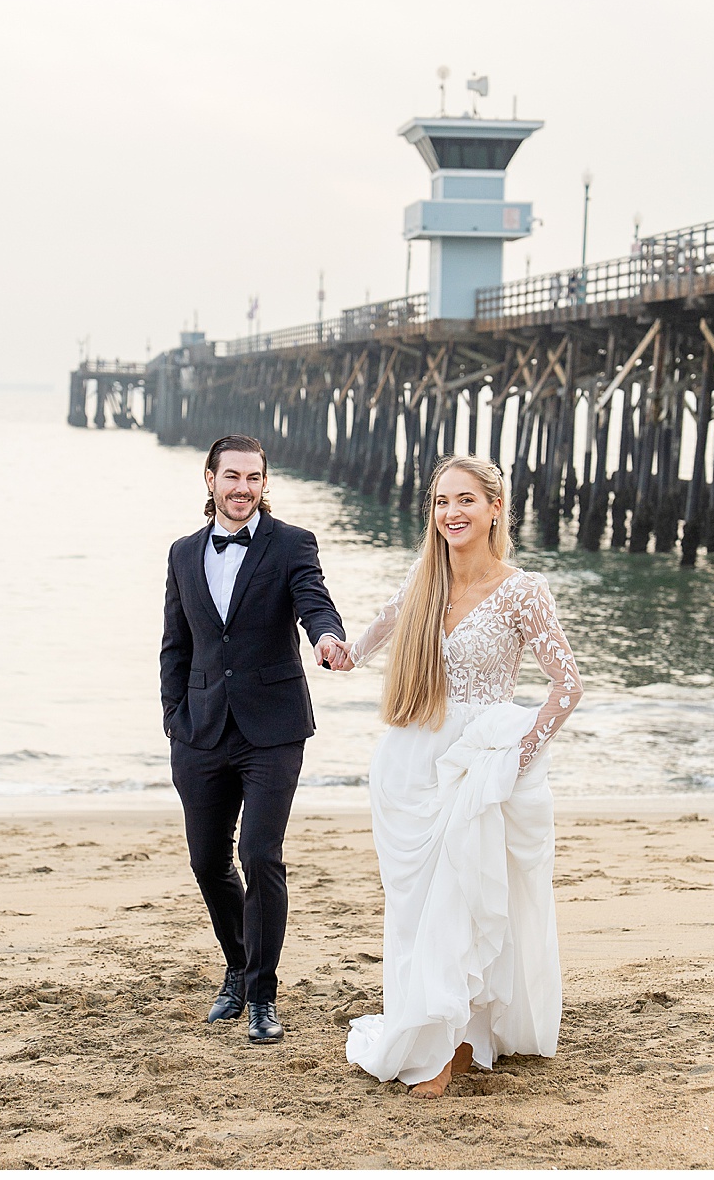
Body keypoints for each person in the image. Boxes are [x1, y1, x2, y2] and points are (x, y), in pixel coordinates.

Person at [327, 454, 583, 1097]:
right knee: (419, 911)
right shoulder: (425, 579)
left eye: (466, 500)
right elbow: (376, 634)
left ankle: (444, 1052)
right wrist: (345, 653)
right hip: (412, 759)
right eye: (442, 502)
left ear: (496, 508)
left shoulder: (523, 590)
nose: (452, 513)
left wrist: (516, 758)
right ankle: (459, 1037)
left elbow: (566, 686)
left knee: (460, 901)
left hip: (478, 763)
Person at [160, 434, 349, 1044]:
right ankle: (238, 969)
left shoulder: (292, 543)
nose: (244, 488)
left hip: (272, 729)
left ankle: (263, 997)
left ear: (266, 483)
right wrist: (174, 717)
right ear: (209, 479)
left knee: (260, 855)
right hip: (201, 730)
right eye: (233, 476)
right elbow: (175, 644)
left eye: (255, 477)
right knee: (207, 861)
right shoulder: (183, 554)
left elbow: (313, 601)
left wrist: (326, 637)